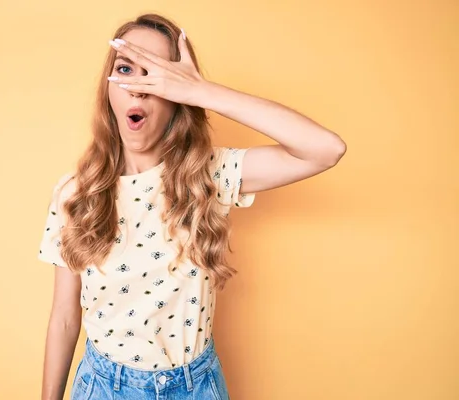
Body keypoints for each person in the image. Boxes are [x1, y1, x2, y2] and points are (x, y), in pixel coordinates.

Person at [37, 13, 346, 400]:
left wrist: (202, 92)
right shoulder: (74, 193)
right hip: (104, 387)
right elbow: (65, 318)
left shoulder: (209, 175)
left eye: (157, 74)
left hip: (195, 387)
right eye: (126, 68)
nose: (138, 87)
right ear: (108, 88)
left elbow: (325, 150)